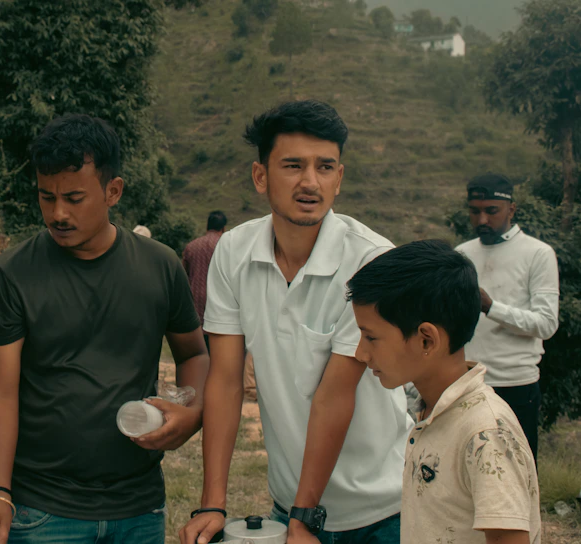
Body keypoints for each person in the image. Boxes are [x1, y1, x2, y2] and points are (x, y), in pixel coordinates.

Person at [0, 114, 208, 544]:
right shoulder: (12, 274)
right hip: (42, 509)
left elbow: (193, 353)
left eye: (75, 198)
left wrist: (191, 414)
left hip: (140, 507)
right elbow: (0, 390)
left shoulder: (160, 266)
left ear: (112, 190)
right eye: (47, 197)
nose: (58, 213)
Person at [180, 100, 410, 544]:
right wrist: (212, 503)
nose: (310, 182)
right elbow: (226, 379)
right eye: (293, 165)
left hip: (380, 511)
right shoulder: (233, 252)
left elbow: (336, 393)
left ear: (339, 178)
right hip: (289, 506)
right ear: (260, 176)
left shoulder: (370, 260)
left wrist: (305, 518)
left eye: (325, 167)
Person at [348, 240, 541, 544]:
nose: (361, 353)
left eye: (371, 337)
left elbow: (509, 536)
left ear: (426, 340)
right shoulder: (431, 412)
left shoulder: (485, 434)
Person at [455, 173, 558, 462]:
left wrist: (491, 307)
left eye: (491, 211)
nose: (482, 220)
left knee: (519, 475)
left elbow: (547, 324)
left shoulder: (538, 253)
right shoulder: (462, 254)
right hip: (467, 383)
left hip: (516, 385)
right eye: (475, 212)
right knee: (467, 473)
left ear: (511, 210)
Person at [182, 210, 226, 351]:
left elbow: (184, 277)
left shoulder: (191, 246)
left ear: (207, 226)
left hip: (194, 308)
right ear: (223, 228)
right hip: (219, 309)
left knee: (197, 354)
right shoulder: (225, 247)